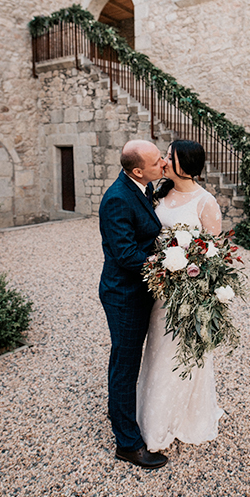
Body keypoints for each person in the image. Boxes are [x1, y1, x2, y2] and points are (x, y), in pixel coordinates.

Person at [137, 139, 225, 451]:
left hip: (186, 293)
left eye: (169, 157)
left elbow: (214, 254)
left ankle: (176, 421)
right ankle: (150, 415)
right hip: (160, 290)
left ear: (183, 164)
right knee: (158, 349)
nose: (163, 161)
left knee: (180, 353)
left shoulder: (205, 202)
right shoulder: (160, 193)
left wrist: (192, 278)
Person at [98, 139, 168, 469]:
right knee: (125, 366)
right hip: (124, 294)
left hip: (142, 290)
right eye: (158, 161)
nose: (164, 162)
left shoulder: (143, 184)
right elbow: (126, 255)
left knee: (131, 361)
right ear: (138, 170)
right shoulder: (116, 199)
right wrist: (171, 264)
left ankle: (128, 415)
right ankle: (126, 442)